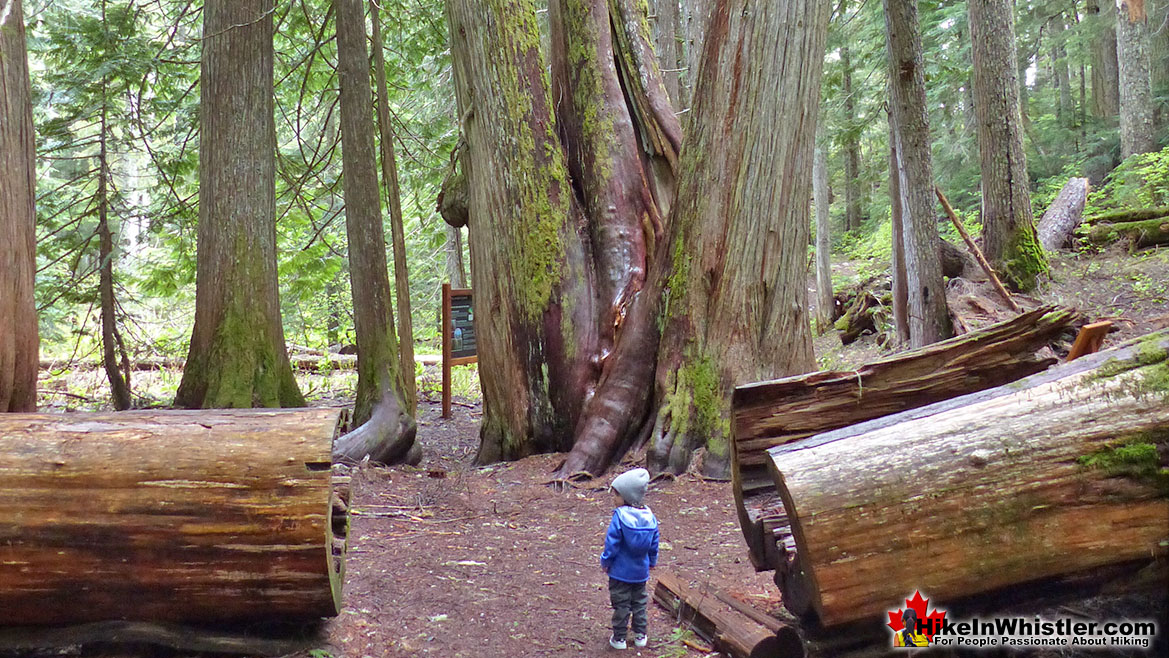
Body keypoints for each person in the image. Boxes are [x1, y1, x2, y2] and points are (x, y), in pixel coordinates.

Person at [600, 468, 659, 650]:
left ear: (626, 496)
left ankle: (619, 638)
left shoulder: (619, 517)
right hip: (640, 572)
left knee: (621, 604)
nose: (614, 499)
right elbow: (654, 544)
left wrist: (605, 561)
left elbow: (612, 544)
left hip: (620, 573)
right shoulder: (650, 518)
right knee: (640, 603)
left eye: (616, 496)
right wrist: (652, 561)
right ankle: (641, 635)